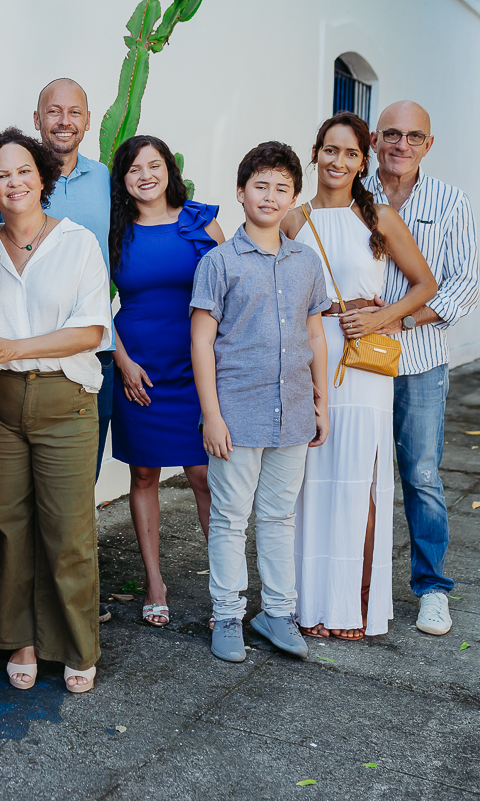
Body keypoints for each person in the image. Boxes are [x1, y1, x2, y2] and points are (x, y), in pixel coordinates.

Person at [0, 128, 112, 693]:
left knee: (68, 527)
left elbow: (92, 330)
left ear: (42, 177)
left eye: (23, 171)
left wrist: (15, 349)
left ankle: (74, 643)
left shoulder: (77, 242)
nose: (13, 182)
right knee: (5, 523)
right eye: (1, 175)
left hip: (64, 398)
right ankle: (18, 638)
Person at [283, 112, 436, 641]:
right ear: (316, 153)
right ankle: (310, 605)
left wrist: (383, 314)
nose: (338, 161)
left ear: (362, 161)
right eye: (330, 150)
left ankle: (355, 606)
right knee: (308, 485)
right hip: (307, 361)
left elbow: (425, 284)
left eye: (350, 154)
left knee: (360, 485)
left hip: (364, 365)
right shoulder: (292, 219)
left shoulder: (381, 218)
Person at [189, 141, 331, 664]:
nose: (271, 197)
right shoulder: (219, 262)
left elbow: (315, 337)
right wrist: (212, 416)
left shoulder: (306, 261)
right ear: (241, 192)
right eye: (261, 186)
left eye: (282, 188)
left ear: (294, 196)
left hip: (293, 412)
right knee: (229, 517)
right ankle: (226, 614)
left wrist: (321, 403)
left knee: (278, 518)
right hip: (237, 413)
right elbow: (202, 341)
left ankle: (277, 612)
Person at [363, 101, 479, 636]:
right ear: (373, 137)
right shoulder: (348, 193)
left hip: (420, 361)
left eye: (413, 137)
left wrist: (396, 322)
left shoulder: (451, 202)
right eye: (391, 133)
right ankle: (355, 585)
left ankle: (431, 588)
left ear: (428, 144)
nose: (401, 144)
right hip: (353, 363)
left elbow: (462, 285)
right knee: (352, 473)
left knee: (422, 475)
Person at [108, 135, 223, 627]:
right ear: (124, 179)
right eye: (134, 168)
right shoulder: (114, 231)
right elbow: (91, 302)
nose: (145, 175)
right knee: (143, 474)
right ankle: (155, 580)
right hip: (139, 369)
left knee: (203, 475)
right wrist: (122, 361)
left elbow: (233, 288)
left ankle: (226, 585)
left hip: (196, 366)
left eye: (154, 165)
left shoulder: (199, 222)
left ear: (169, 170)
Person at [33, 78, 116, 491]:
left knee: (84, 482)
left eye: (74, 112)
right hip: (29, 353)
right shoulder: (17, 178)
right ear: (37, 119)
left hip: (95, 350)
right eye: (53, 111)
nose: (64, 122)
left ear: (87, 122)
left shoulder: (105, 180)